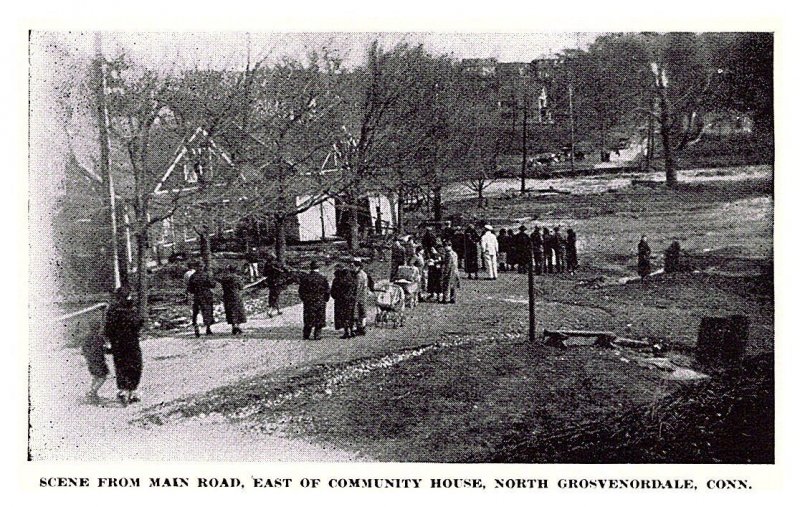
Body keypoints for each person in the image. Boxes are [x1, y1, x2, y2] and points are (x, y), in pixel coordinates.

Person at [104, 285, 143, 406]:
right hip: (131, 341)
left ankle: (124, 390)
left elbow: (108, 328)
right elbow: (138, 323)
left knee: (121, 365)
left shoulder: (112, 310)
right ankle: (132, 390)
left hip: (118, 342)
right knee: (135, 364)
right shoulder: (132, 309)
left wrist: (109, 340)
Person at [298, 261, 330, 340]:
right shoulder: (323, 278)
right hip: (320, 301)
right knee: (319, 317)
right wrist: (326, 299)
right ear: (318, 268)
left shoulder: (305, 278)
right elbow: (327, 290)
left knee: (308, 317)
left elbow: (301, 291)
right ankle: (317, 334)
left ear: (310, 268)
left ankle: (306, 334)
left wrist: (304, 299)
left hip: (309, 301)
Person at [82, 321, 109, 404]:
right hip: (98, 361)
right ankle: (91, 393)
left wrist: (87, 357)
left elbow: (84, 349)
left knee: (95, 377)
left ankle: (93, 394)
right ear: (99, 328)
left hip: (90, 360)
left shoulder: (87, 337)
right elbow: (103, 349)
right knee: (102, 377)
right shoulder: (99, 338)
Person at [187, 263, 216, 337]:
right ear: (202, 267)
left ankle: (196, 325)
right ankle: (208, 328)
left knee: (196, 312)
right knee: (207, 311)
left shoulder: (193, 276)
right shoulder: (206, 275)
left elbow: (190, 289)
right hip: (206, 295)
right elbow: (212, 285)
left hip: (197, 296)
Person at [218, 264, 247, 335]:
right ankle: (238, 326)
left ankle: (233, 326)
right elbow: (241, 287)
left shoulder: (224, 278)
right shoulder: (237, 278)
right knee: (238, 310)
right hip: (236, 295)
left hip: (227, 296)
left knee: (230, 311)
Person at [330, 265, 357, 339]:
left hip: (341, 300)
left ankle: (346, 332)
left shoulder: (337, 280)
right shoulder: (352, 279)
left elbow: (333, 292)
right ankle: (352, 330)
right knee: (350, 315)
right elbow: (355, 290)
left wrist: (336, 297)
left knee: (343, 316)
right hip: (351, 300)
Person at [353, 259, 372, 335]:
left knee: (359, 312)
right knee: (362, 312)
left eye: (353, 266)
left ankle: (361, 329)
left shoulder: (359, 275)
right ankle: (362, 328)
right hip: (363, 295)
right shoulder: (363, 274)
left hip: (360, 295)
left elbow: (358, 287)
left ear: (358, 267)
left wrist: (355, 296)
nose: (352, 268)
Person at [263, 253, 285, 317]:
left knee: (273, 295)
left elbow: (264, 274)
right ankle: (270, 311)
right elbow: (282, 271)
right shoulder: (277, 264)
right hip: (277, 282)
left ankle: (278, 310)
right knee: (275, 296)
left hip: (270, 282)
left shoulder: (267, 265)